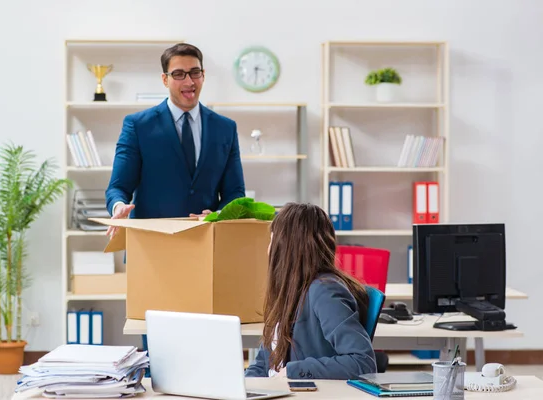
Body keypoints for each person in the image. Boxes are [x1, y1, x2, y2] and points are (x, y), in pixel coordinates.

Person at [105, 43, 245, 235]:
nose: (189, 82)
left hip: (206, 242)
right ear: (165, 79)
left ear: (203, 75)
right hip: (150, 244)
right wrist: (118, 206)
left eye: (195, 72)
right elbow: (118, 187)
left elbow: (235, 193)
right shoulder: (138, 126)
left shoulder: (225, 128)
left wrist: (219, 214)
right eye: (179, 74)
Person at [244, 202, 377, 380]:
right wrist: (244, 386)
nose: (268, 249)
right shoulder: (288, 291)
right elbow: (263, 363)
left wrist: (293, 372)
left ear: (287, 248)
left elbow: (363, 362)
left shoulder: (325, 291)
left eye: (272, 240)